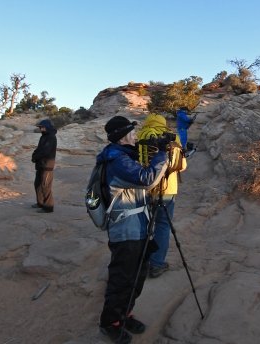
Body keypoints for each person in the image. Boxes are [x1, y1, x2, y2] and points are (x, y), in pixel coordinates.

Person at [97, 116, 170, 344]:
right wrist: (161, 155)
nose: (136, 136)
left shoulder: (126, 155)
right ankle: (110, 322)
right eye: (132, 132)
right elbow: (147, 179)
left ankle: (124, 314)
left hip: (139, 226)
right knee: (122, 277)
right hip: (125, 230)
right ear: (123, 135)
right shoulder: (117, 160)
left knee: (137, 275)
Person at [136, 113, 187, 278]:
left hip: (143, 187)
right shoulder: (173, 138)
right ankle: (157, 264)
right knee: (163, 226)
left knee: (142, 225)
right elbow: (181, 166)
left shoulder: (141, 135)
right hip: (167, 189)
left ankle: (139, 261)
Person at [31, 119, 56, 213]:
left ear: (47, 127)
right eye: (40, 127)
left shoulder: (51, 137)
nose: (41, 129)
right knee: (37, 184)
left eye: (42, 127)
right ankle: (40, 203)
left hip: (47, 166)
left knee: (45, 186)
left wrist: (36, 157)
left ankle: (48, 207)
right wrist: (34, 155)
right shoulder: (43, 137)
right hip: (40, 165)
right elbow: (39, 148)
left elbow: (46, 151)